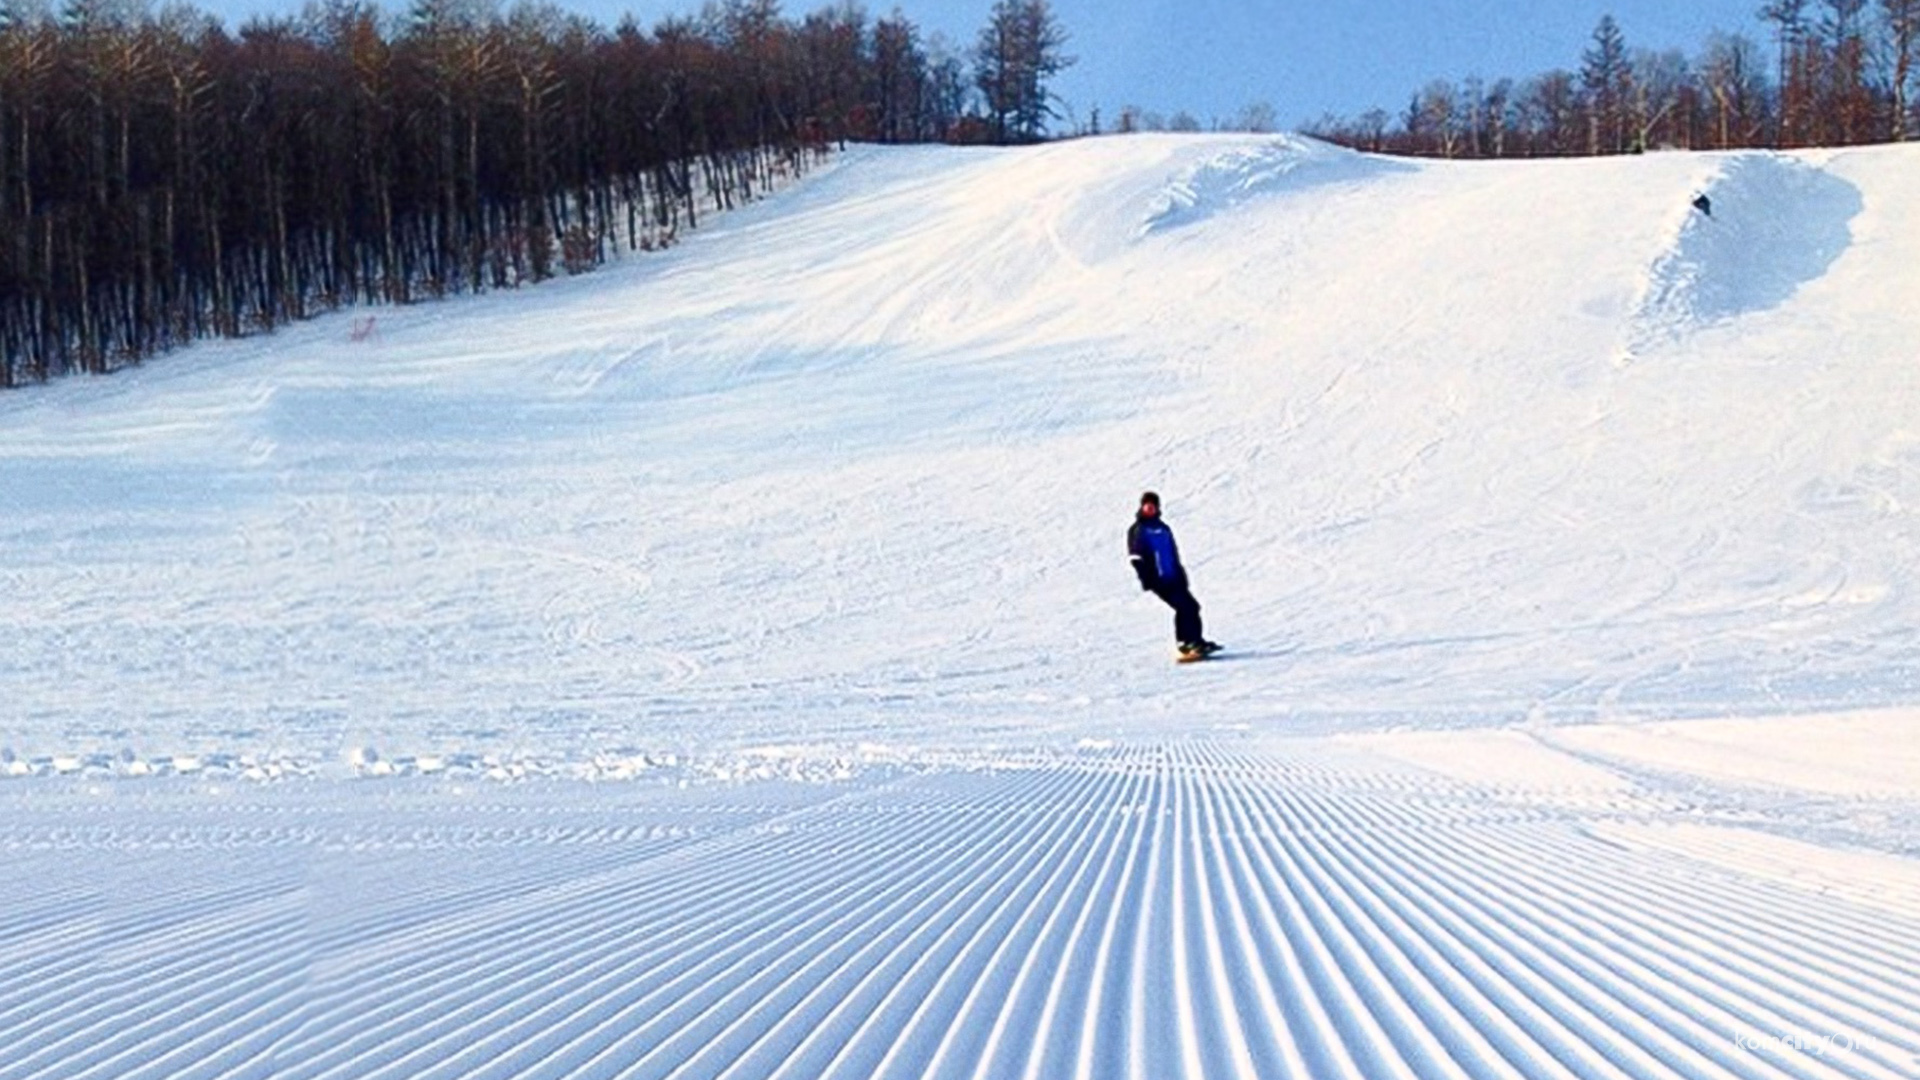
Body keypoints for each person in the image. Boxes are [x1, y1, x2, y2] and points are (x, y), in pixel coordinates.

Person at [1128, 491, 1220, 659]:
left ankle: (1196, 641)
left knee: (1192, 607)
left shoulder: (1163, 528)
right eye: (1147, 505)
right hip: (1159, 579)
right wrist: (1147, 579)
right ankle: (1184, 643)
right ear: (1142, 507)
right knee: (1183, 607)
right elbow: (1136, 557)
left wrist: (1181, 573)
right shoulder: (1139, 530)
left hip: (1174, 577)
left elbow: (1172, 553)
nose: (1150, 508)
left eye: (1153, 505)